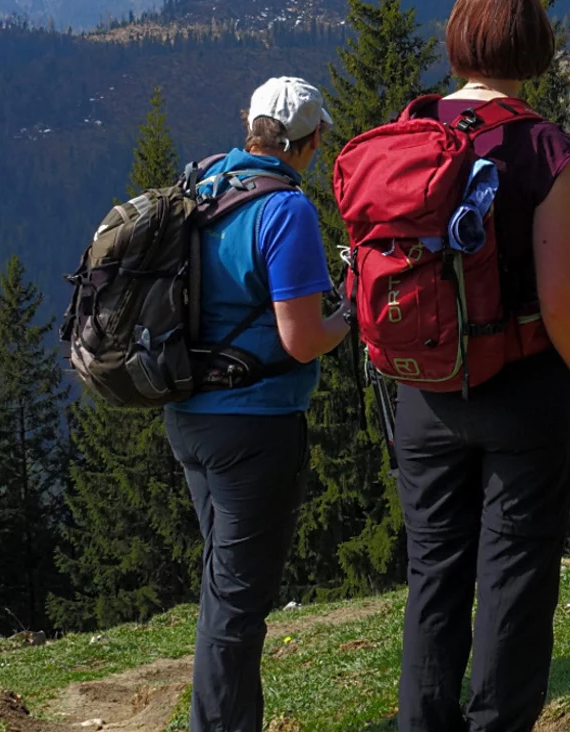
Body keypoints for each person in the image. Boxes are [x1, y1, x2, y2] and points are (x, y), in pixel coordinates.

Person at [395, 0, 570, 732]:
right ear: (533, 43)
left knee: (433, 575)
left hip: (426, 385)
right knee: (514, 575)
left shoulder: (411, 131)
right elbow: (558, 296)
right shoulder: (545, 147)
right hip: (524, 386)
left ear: (459, 39)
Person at [167, 76, 350, 732]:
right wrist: (349, 316)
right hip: (255, 424)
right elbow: (302, 340)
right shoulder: (286, 209)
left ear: (248, 123)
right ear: (311, 141)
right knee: (238, 605)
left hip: (187, 413)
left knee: (225, 588)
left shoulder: (205, 182)